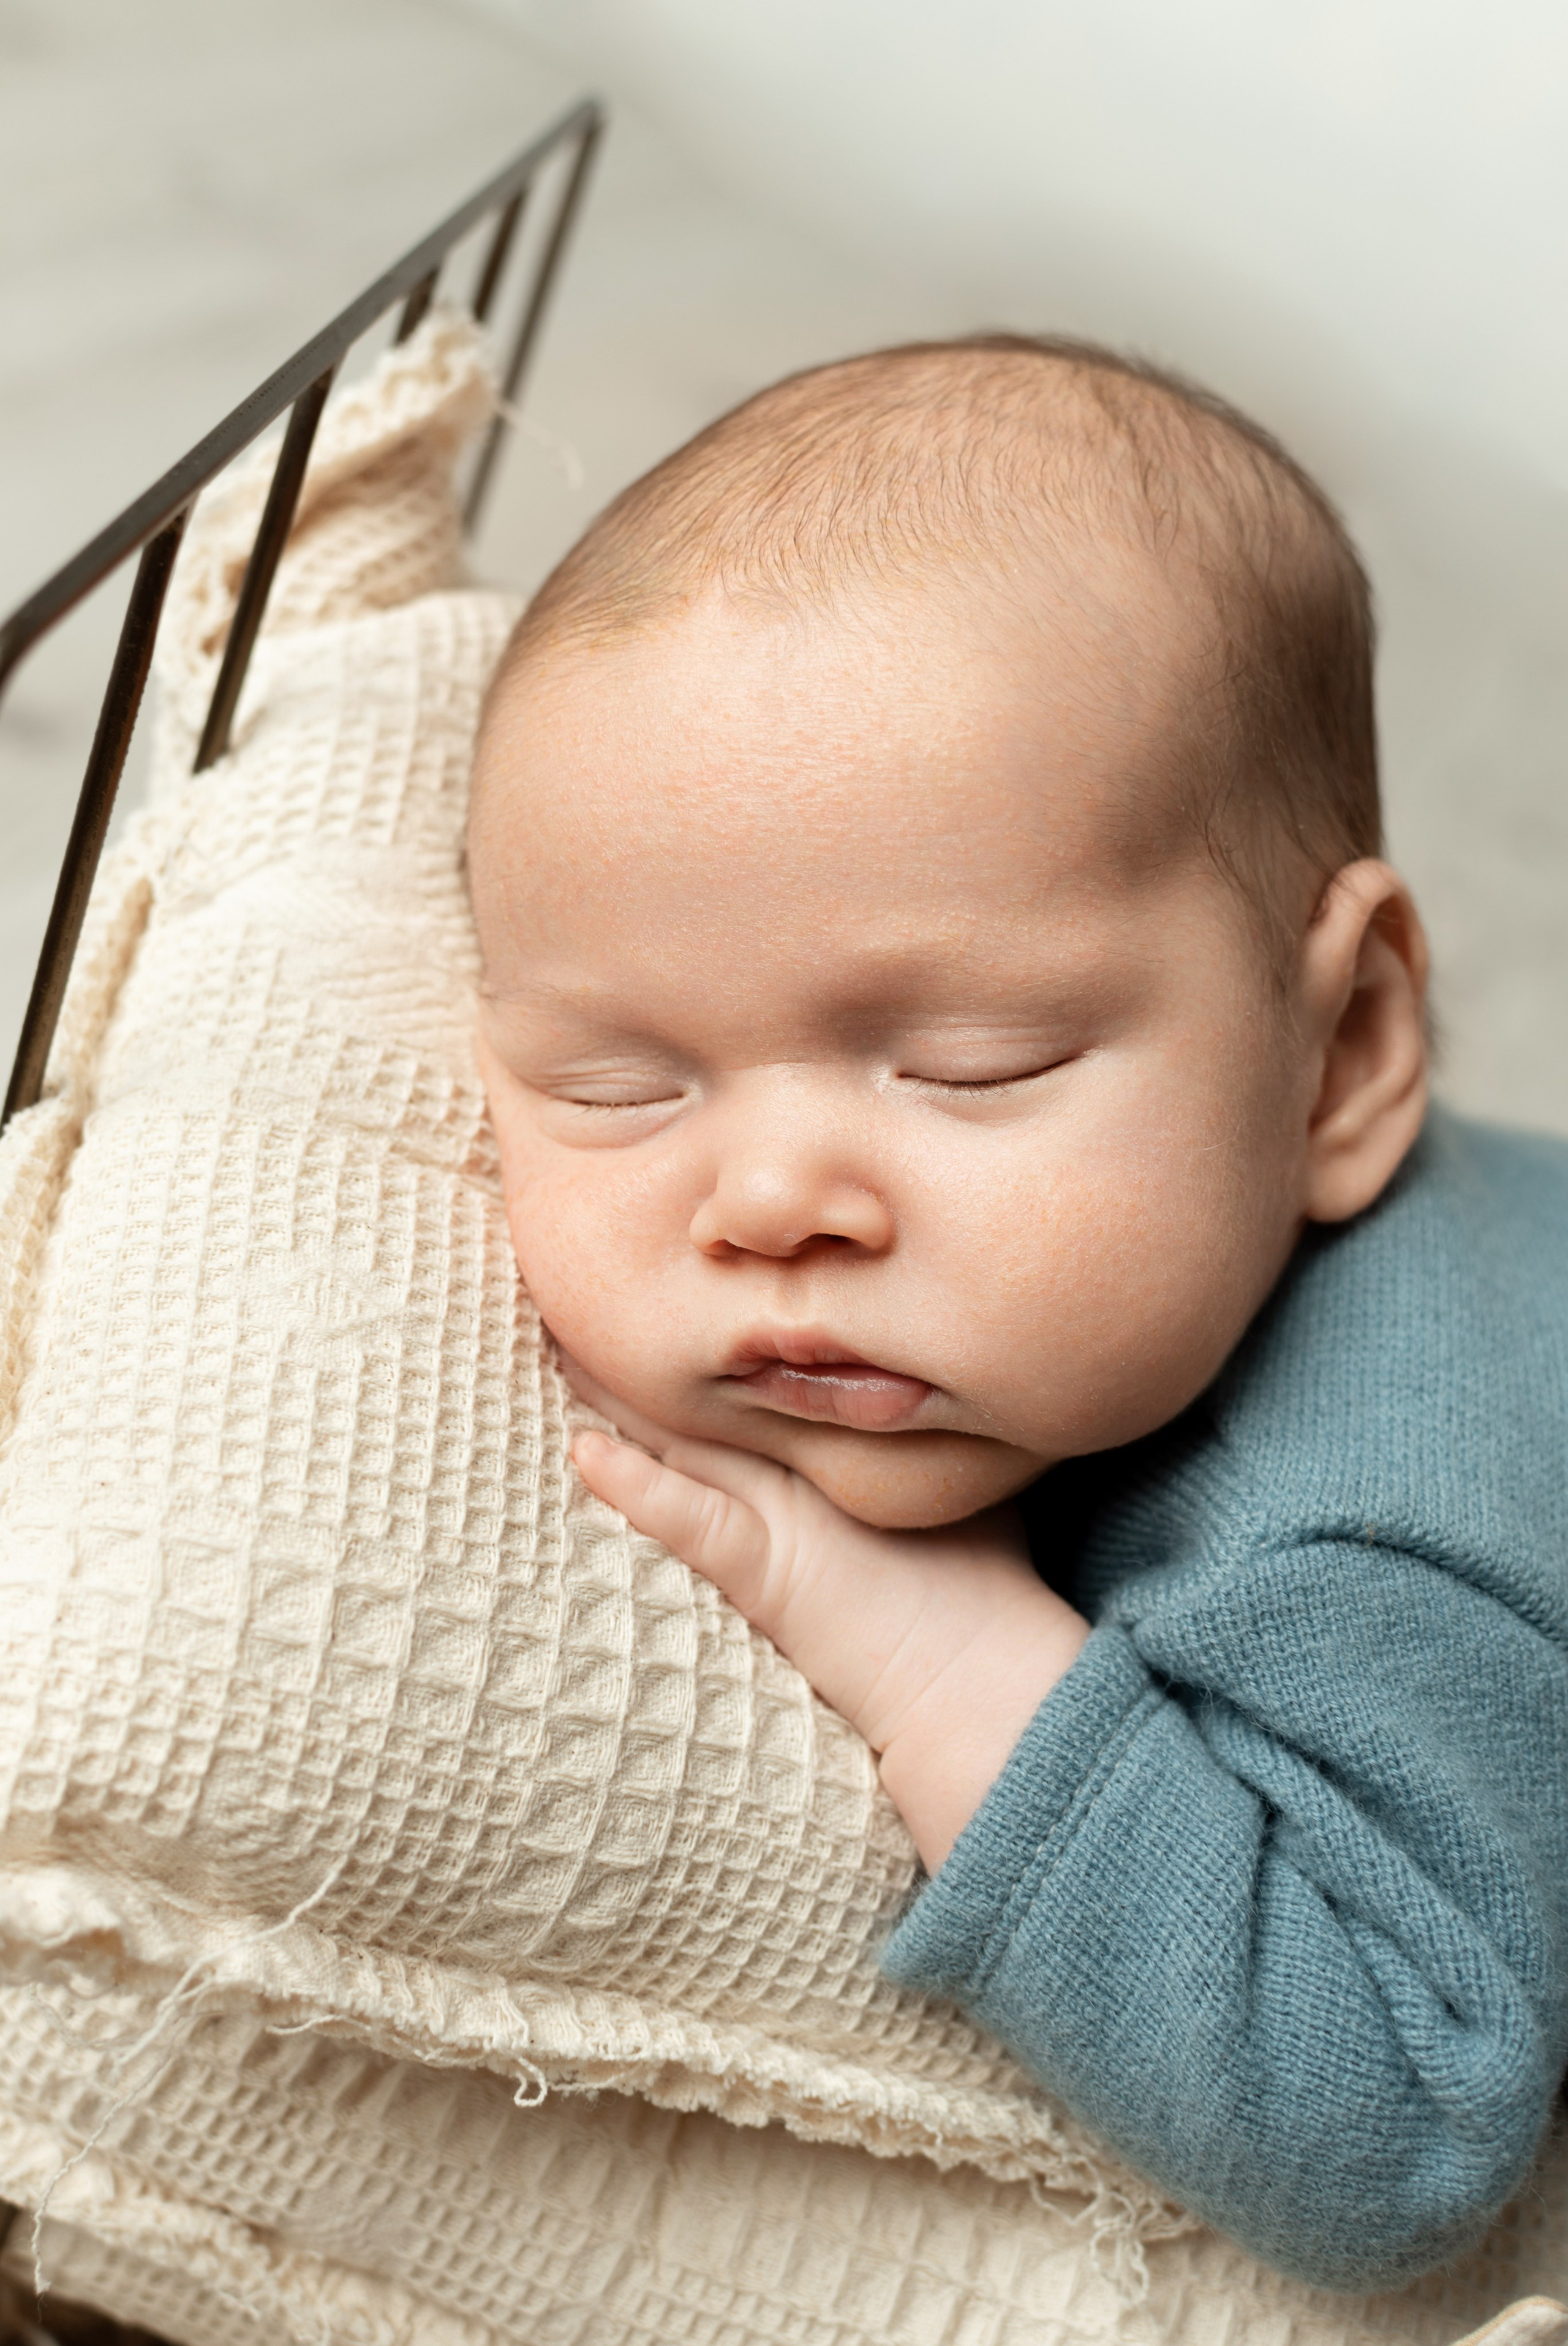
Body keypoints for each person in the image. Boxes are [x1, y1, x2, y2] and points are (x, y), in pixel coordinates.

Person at [465, 336, 1568, 2293]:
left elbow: (1399, 2126)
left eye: (970, 1065)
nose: (775, 1201)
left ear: (1341, 1058)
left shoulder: (1370, 1549)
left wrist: (946, 1656)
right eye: (623, 1086)